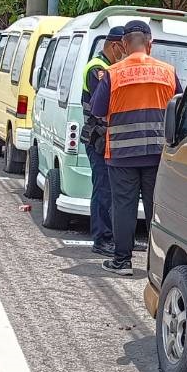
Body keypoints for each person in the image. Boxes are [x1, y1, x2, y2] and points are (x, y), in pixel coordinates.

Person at [89, 20, 181, 276]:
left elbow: (97, 110)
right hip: (157, 154)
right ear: (150, 44)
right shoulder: (168, 72)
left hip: (122, 154)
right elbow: (181, 108)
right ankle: (158, 265)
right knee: (156, 208)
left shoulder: (113, 73)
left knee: (124, 207)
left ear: (125, 45)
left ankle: (122, 261)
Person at [80, 25, 127, 256]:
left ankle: (118, 238)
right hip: (98, 138)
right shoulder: (98, 69)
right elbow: (104, 105)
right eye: (124, 48)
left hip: (110, 140)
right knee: (103, 190)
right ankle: (101, 239)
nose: (126, 53)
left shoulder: (109, 67)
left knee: (115, 192)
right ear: (115, 46)